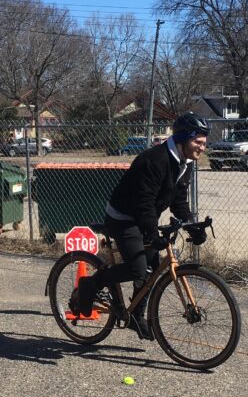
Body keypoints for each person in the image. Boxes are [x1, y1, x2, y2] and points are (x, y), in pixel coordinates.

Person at [71, 112, 210, 338]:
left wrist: (192, 225)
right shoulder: (154, 160)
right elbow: (142, 203)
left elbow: (178, 199)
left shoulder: (185, 162)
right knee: (139, 268)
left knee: (154, 266)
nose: (202, 147)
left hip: (145, 216)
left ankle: (136, 314)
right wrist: (152, 233)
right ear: (184, 139)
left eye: (204, 143)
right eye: (198, 141)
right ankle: (90, 284)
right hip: (123, 217)